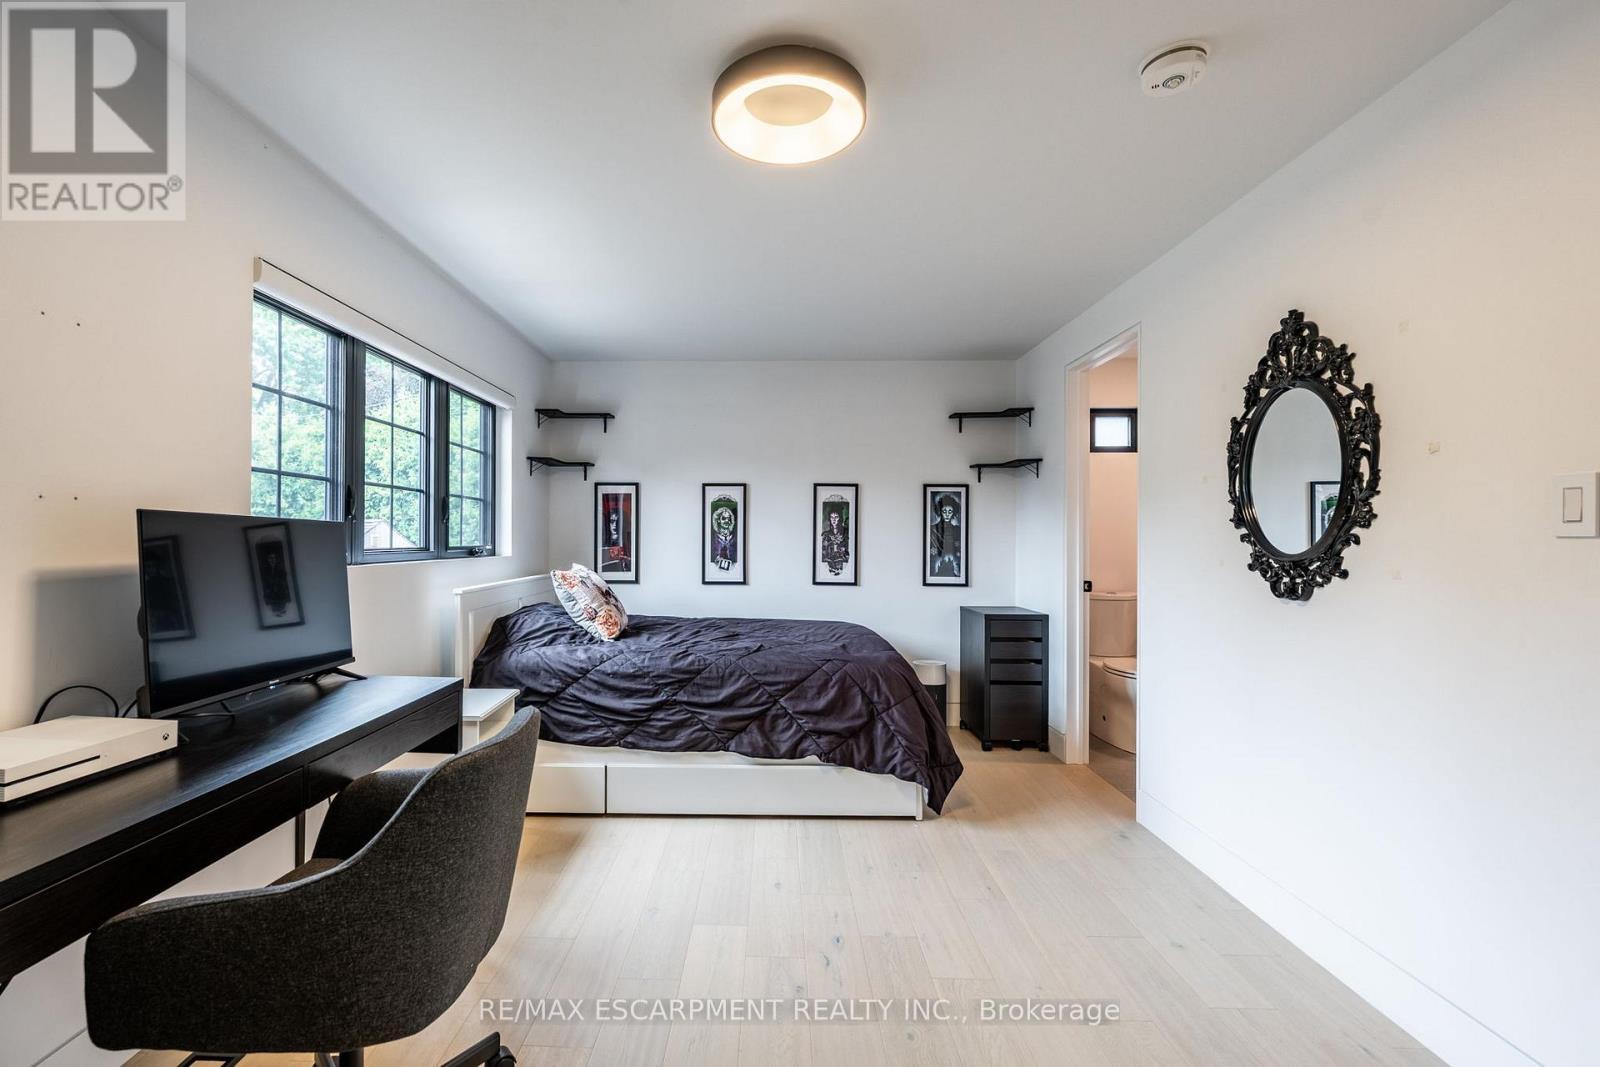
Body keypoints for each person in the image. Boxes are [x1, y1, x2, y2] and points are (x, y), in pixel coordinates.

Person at [929, 493, 961, 578]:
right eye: (944, 511)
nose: (947, 514)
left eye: (950, 511)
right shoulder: (932, 529)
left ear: (954, 512)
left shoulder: (958, 529)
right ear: (940, 512)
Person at [820, 505, 849, 576]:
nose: (834, 520)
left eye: (836, 517)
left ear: (840, 518)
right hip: (830, 563)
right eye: (832, 517)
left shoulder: (845, 533)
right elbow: (823, 553)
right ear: (829, 519)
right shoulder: (826, 535)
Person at [709, 501, 738, 570]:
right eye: (724, 518)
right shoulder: (713, 539)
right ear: (718, 520)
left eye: (728, 518)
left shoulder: (734, 538)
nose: (727, 521)